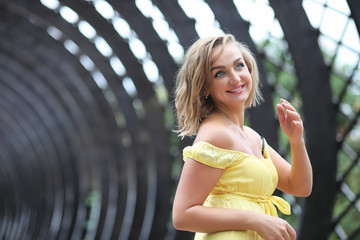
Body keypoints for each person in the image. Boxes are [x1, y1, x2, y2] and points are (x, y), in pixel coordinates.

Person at [172, 34, 313, 240]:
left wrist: (296, 141)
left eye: (239, 66)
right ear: (204, 87)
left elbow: (299, 186)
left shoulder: (251, 136)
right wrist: (255, 220)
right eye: (220, 73)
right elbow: (182, 215)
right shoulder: (216, 135)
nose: (236, 78)